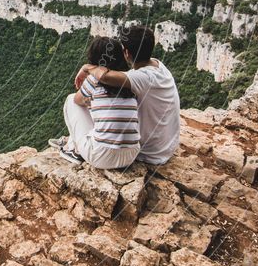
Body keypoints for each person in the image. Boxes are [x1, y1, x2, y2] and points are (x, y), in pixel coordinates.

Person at [76, 25, 180, 165]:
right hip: (167, 147)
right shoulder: (159, 66)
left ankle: (79, 147)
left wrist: (87, 67)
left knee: (82, 104)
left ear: (126, 52)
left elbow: (104, 77)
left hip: (149, 154)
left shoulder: (139, 78)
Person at [49, 36, 141, 170]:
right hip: (130, 155)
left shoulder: (94, 80)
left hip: (102, 157)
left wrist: (88, 73)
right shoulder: (131, 80)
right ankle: (73, 143)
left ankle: (75, 150)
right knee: (98, 110)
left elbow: (78, 101)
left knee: (71, 99)